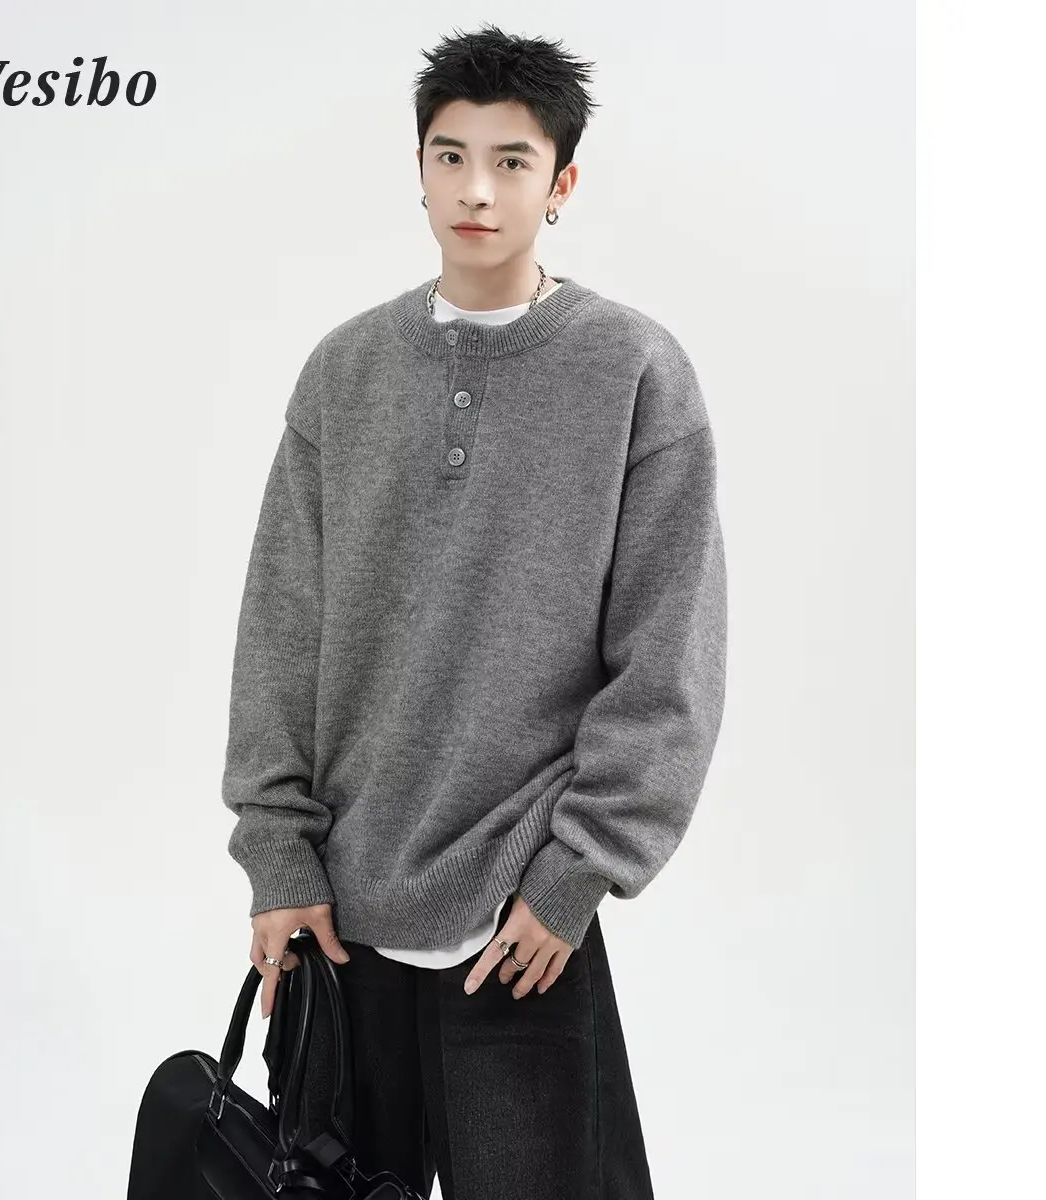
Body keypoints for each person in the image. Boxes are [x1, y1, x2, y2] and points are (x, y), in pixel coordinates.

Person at [219, 22, 728, 1200]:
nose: (477, 191)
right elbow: (279, 629)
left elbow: (670, 654)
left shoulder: (634, 371)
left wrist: (579, 872)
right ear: (419, 169)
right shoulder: (345, 371)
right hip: (341, 917)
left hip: (518, 914)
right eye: (450, 157)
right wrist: (278, 857)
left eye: (511, 161)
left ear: (563, 184)